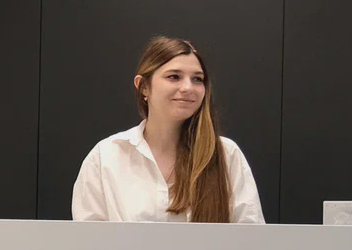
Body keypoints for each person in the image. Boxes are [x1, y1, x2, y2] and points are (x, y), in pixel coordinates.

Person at [72, 35, 264, 223]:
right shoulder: (106, 156)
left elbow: (251, 237)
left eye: (197, 79)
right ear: (143, 86)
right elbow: (87, 240)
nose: (188, 87)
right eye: (174, 77)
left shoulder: (226, 154)